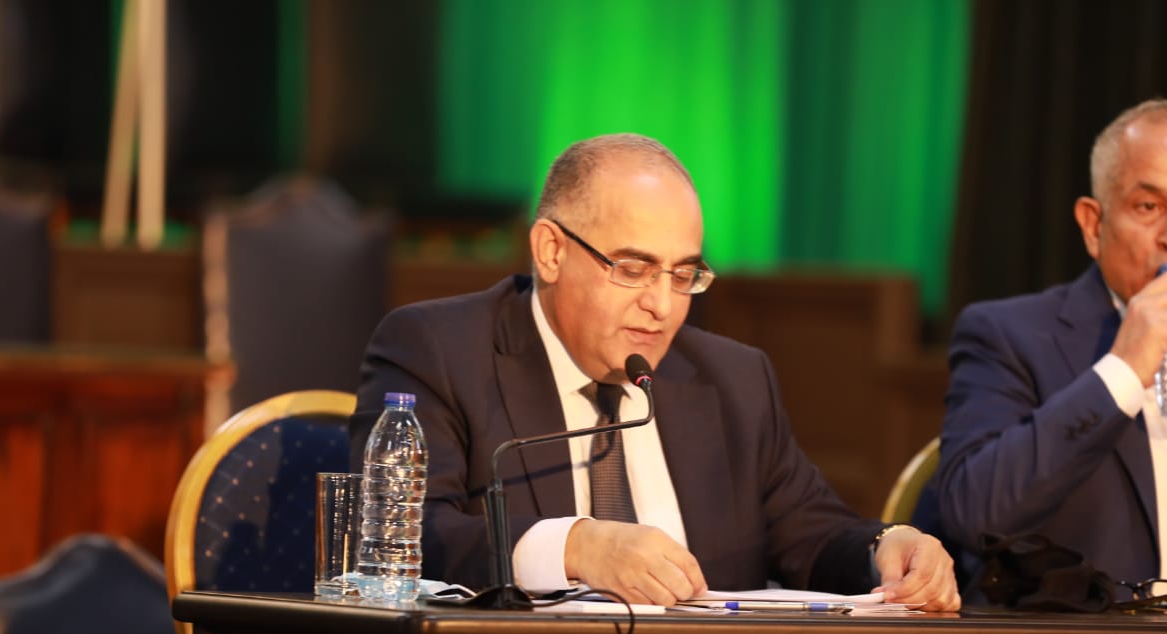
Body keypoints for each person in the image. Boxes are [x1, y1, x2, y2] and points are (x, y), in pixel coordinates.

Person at [352, 133, 958, 609]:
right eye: (634, 270)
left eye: (683, 274)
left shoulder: (733, 378)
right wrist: (576, 547)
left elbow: (813, 534)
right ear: (551, 251)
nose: (663, 306)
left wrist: (887, 547)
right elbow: (404, 538)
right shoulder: (438, 349)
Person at [938, 98, 1167, 592]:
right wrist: (1123, 371)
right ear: (1093, 225)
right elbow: (973, 514)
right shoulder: (1008, 335)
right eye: (1149, 207)